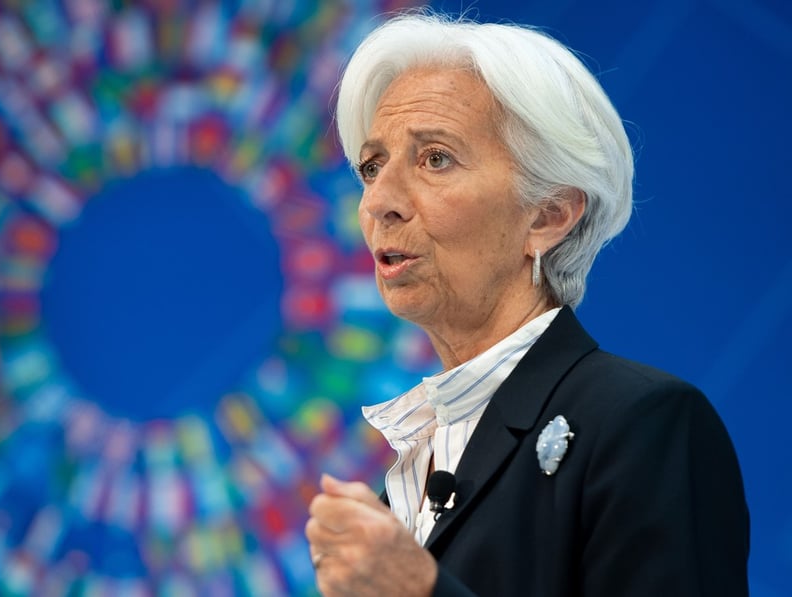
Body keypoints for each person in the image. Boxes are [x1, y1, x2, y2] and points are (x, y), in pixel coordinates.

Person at [304, 12, 749, 597]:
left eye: (435, 158)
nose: (378, 202)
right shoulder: (416, 468)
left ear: (549, 215)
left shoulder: (641, 424)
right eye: (371, 166)